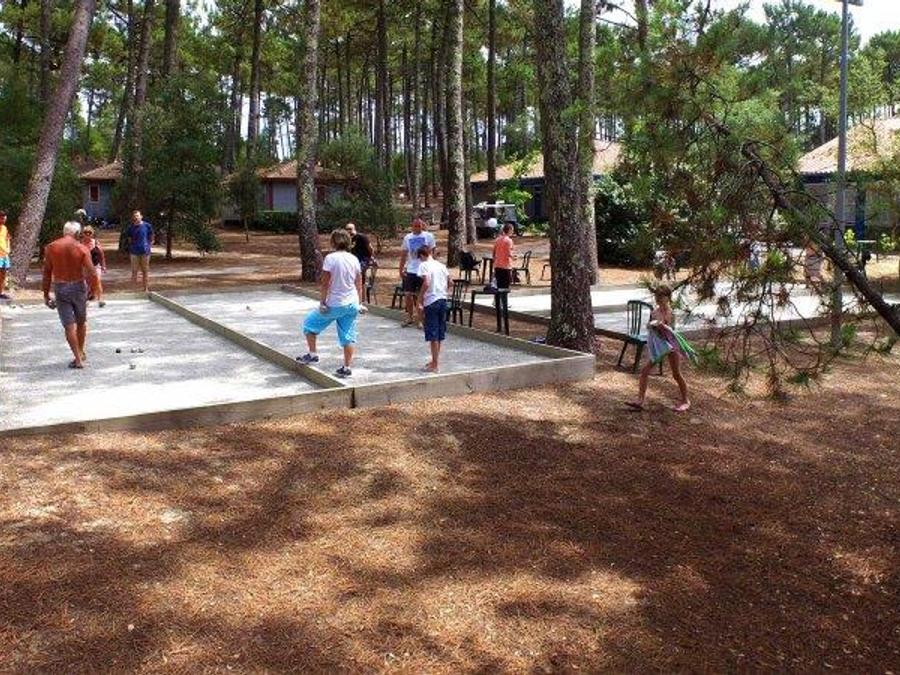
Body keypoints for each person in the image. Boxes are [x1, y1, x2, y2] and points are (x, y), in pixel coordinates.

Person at [296, 229, 367, 378]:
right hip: (351, 303)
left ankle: (313, 354)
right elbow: (359, 284)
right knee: (348, 336)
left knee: (309, 325)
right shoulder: (353, 259)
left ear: (333, 242)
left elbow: (325, 283)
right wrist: (360, 303)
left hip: (335, 303)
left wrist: (322, 302)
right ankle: (346, 367)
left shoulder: (330, 258)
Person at [626, 285, 695, 412]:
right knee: (645, 371)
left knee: (676, 374)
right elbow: (651, 329)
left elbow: (672, 332)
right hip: (660, 346)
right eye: (656, 296)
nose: (658, 299)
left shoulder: (671, 313)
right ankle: (640, 400)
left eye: (661, 297)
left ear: (668, 298)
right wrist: (651, 326)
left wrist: (663, 326)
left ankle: (686, 401)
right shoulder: (654, 313)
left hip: (671, 346)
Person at [42, 221, 99, 369]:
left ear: (64, 232)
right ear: (77, 233)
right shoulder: (81, 248)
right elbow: (92, 272)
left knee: (69, 326)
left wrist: (46, 294)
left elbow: (47, 273)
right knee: (81, 322)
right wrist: (93, 290)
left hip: (61, 287)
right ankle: (80, 351)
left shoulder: (51, 247)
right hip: (79, 287)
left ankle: (78, 359)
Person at [416, 244, 453, 373]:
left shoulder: (424, 265)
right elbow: (451, 282)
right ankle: (434, 360)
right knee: (439, 332)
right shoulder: (441, 265)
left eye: (420, 257)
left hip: (431, 301)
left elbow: (426, 282)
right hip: (442, 300)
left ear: (422, 255)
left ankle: (435, 365)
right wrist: (443, 291)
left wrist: (420, 299)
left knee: (432, 334)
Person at [398, 215, 436, 327]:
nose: (417, 227)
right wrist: (401, 269)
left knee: (421, 296)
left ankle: (420, 319)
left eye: (419, 225)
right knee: (408, 294)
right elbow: (404, 255)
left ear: (422, 226)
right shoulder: (407, 238)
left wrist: (432, 267)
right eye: (415, 226)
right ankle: (409, 317)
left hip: (424, 269)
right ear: (412, 226)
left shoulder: (428, 236)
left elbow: (432, 253)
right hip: (411, 270)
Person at [125, 210, 153, 291]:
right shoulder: (130, 228)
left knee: (145, 271)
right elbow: (129, 239)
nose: (136, 217)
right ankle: (133, 290)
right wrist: (133, 247)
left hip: (145, 252)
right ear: (132, 218)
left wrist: (148, 246)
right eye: (134, 216)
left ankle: (146, 289)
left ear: (141, 216)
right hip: (134, 253)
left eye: (137, 215)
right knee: (134, 271)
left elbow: (151, 237)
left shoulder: (147, 226)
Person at [81, 225, 107, 307]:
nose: (88, 234)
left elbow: (101, 254)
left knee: (97, 281)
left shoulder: (96, 242)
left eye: (89, 232)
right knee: (86, 283)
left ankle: (100, 299)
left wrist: (103, 265)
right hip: (85, 267)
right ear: (83, 234)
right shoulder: (80, 243)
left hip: (96, 265)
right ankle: (87, 298)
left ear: (92, 233)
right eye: (86, 232)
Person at [492, 223, 515, 289]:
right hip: (506, 266)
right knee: (505, 287)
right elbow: (509, 253)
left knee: (499, 286)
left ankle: (498, 296)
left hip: (497, 265)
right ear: (509, 230)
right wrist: (514, 257)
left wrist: (495, 260)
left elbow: (494, 252)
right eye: (512, 230)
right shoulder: (509, 241)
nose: (513, 232)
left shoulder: (497, 240)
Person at [0, 210, 11, 300]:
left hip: (4, 255)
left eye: (5, 219)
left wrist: (8, 249)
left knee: (3, 274)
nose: (4, 220)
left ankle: (1, 292)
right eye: (2, 218)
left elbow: (7, 239)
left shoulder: (4, 228)